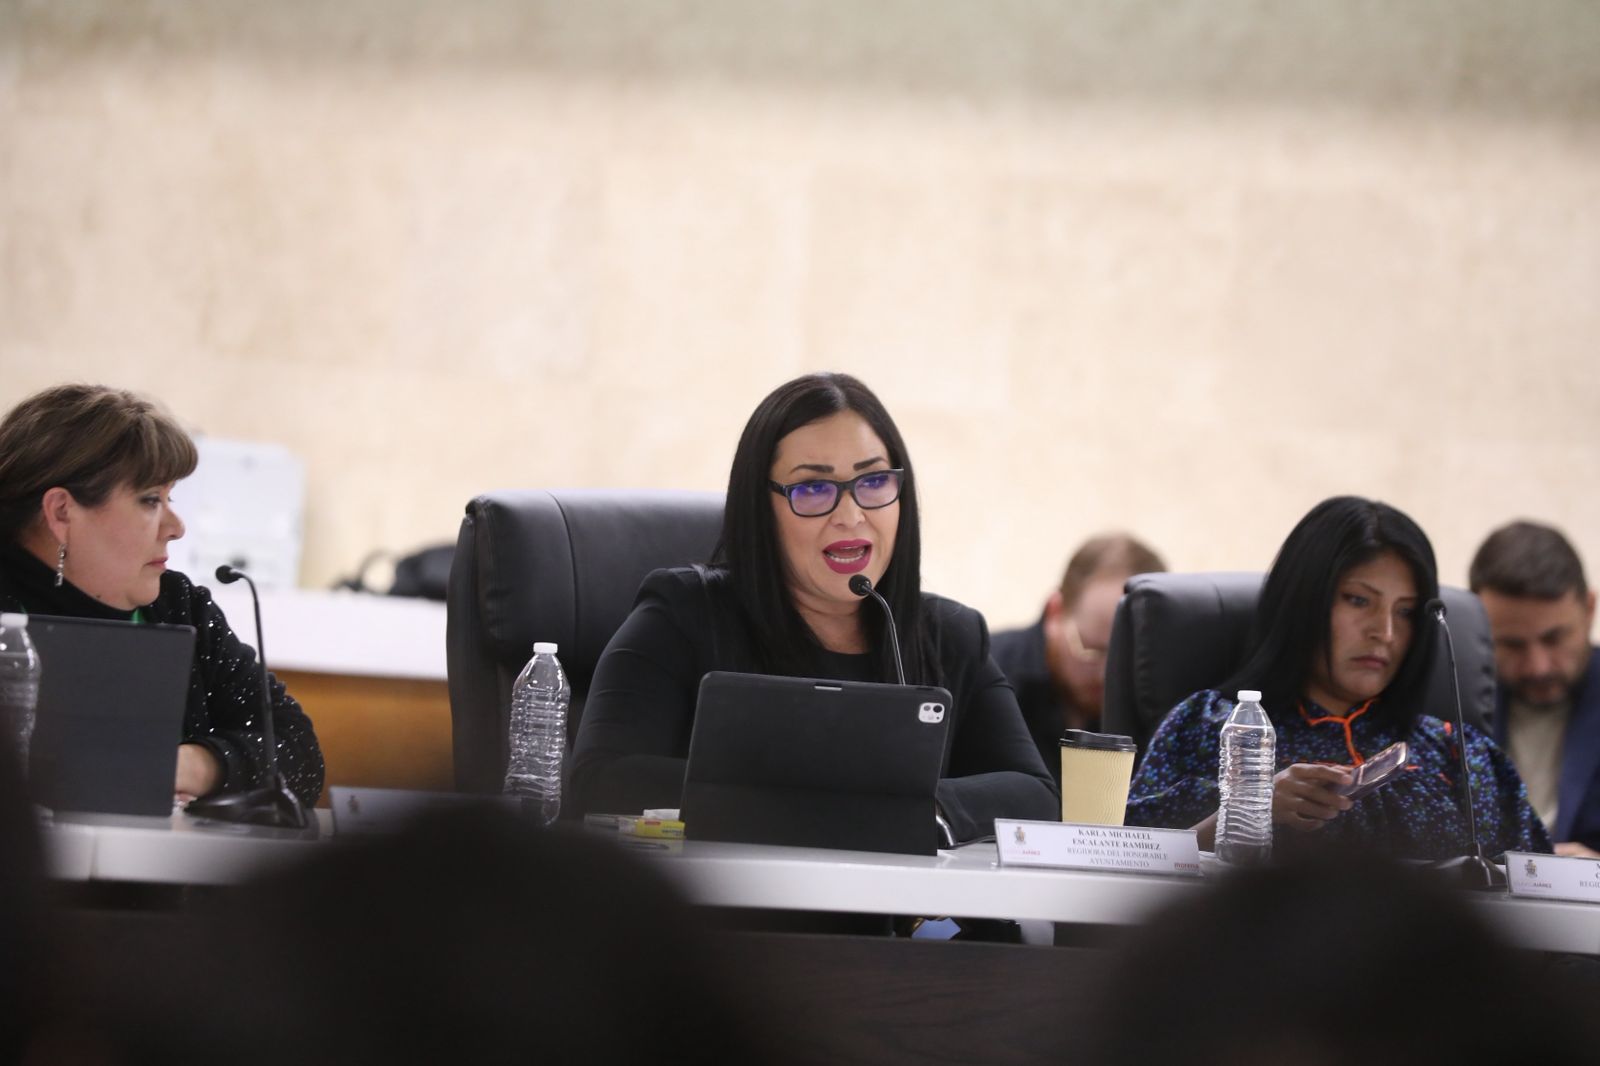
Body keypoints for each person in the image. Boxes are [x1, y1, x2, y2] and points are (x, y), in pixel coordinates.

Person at [572, 372, 1058, 843]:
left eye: (873, 481)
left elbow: (1034, 795)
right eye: (812, 489)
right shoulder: (683, 616)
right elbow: (599, 780)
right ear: (760, 508)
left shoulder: (949, 634)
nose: (851, 515)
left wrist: (913, 807)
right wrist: (817, 802)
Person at [1126, 496, 1547, 859]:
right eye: (1358, 600)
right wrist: (1249, 810)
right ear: (1303, 601)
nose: (1384, 632)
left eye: (1404, 611)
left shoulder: (1458, 753)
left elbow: (1534, 883)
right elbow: (1131, 868)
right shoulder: (1208, 726)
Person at [0, 384, 323, 807]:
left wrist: (189, 766)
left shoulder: (179, 607)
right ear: (62, 512)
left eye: (171, 498)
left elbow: (300, 754)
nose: (176, 527)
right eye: (151, 500)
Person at [1470, 520, 1600, 856]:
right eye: (1512, 644)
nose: (1538, 667)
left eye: (1554, 638)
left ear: (1589, 610)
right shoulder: (1452, 705)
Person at [991, 533, 1165, 780]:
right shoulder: (987, 676)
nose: (1105, 675)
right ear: (1055, 611)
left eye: (1127, 660)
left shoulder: (1163, 706)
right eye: (1092, 650)